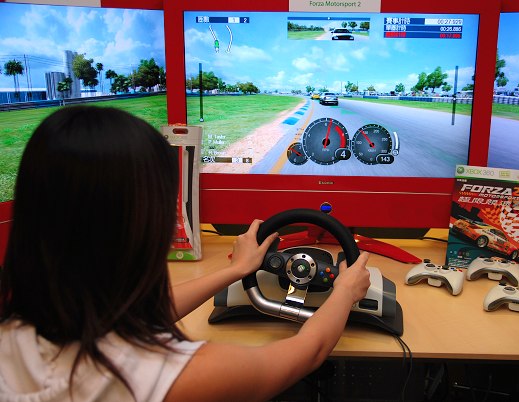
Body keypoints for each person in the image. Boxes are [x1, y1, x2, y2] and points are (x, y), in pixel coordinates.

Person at [0, 105, 371, 402]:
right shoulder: (175, 375)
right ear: (140, 226)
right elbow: (309, 351)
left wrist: (236, 270)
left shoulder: (21, 331)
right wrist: (344, 291)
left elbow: (133, 314)